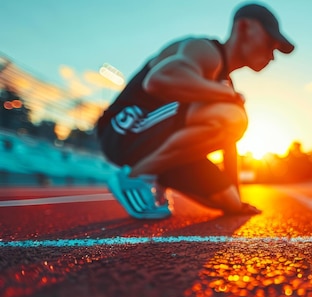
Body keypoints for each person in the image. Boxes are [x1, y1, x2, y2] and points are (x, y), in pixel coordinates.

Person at [96, 3, 294, 219]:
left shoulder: (225, 85)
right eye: (270, 42)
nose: (272, 56)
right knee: (232, 116)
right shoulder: (205, 50)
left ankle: (159, 172)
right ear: (244, 27)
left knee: (230, 201)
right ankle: (136, 177)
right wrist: (229, 97)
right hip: (124, 129)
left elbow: (229, 144)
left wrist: (237, 198)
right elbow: (158, 80)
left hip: (158, 140)